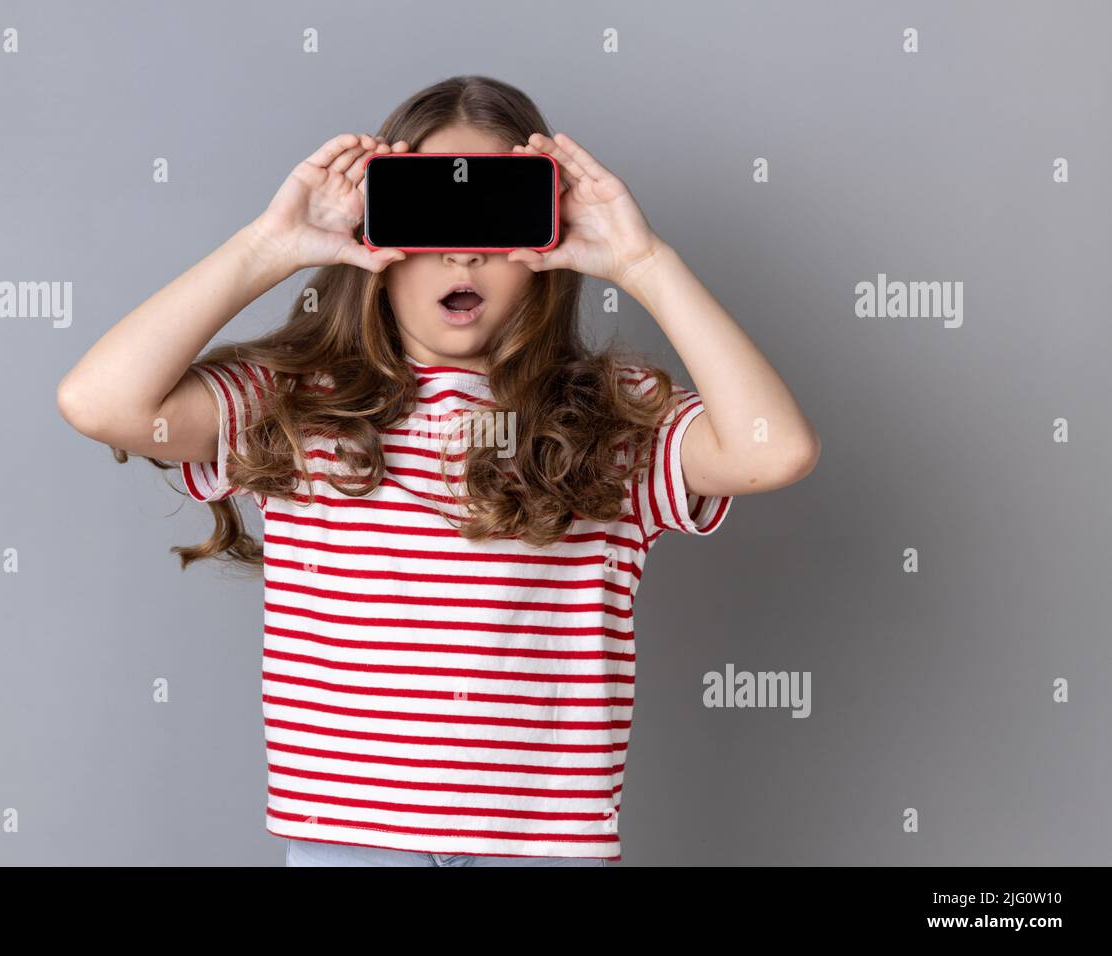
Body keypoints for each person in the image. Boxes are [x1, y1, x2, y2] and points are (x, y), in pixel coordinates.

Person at [56, 75, 820, 867]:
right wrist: (268, 246)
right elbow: (99, 401)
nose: (462, 251)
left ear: (546, 242)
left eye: (492, 215)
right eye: (430, 216)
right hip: (348, 839)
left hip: (544, 849)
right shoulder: (293, 400)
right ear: (374, 237)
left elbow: (776, 450)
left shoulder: (607, 417)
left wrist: (643, 260)